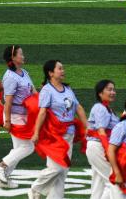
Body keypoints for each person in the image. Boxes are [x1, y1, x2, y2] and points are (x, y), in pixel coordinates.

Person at [30, 59, 86, 199]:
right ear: (51, 73)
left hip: (69, 134)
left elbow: (78, 107)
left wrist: (87, 127)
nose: (63, 71)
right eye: (59, 68)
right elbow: (42, 112)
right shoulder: (47, 90)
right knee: (56, 168)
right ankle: (36, 188)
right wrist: (36, 133)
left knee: (63, 171)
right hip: (54, 135)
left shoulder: (68, 89)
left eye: (63, 68)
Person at [0, 45, 36, 189]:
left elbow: (33, 91)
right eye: (20, 54)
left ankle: (2, 179)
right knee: (28, 147)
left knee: (18, 149)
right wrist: (8, 121)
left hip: (24, 115)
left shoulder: (24, 72)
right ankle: (0, 166)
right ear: (13, 58)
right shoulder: (10, 77)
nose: (23, 56)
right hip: (15, 116)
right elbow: (8, 102)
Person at [84, 79, 119, 199]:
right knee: (113, 182)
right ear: (100, 93)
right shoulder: (100, 108)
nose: (113, 92)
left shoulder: (107, 109)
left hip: (97, 147)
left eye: (113, 90)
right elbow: (101, 131)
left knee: (98, 185)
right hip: (99, 147)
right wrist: (108, 151)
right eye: (109, 89)